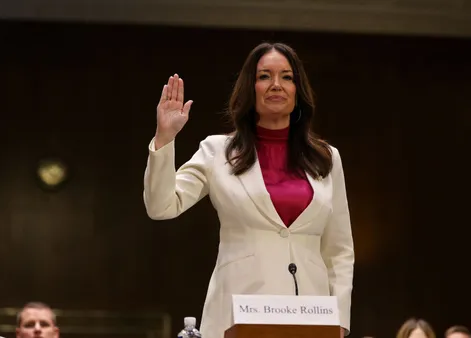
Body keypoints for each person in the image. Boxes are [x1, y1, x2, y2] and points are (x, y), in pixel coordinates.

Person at [143, 42, 355, 338]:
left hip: (311, 316)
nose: (276, 85)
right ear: (250, 88)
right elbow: (161, 206)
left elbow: (340, 250)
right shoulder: (218, 150)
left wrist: (339, 321)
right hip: (236, 315)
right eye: (264, 76)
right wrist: (164, 138)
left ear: (298, 90)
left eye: (287, 77)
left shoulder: (327, 157)